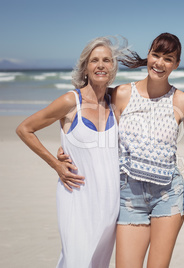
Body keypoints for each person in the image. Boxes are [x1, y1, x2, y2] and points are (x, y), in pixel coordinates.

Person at [16, 36, 125, 267]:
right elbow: (25, 129)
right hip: (76, 196)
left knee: (97, 262)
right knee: (77, 259)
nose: (101, 65)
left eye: (107, 60)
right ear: (85, 67)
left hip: (109, 202)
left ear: (113, 67)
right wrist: (56, 164)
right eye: (94, 60)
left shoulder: (115, 101)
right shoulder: (70, 101)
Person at [112, 33, 184, 268]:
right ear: (148, 55)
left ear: (176, 64)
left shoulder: (183, 101)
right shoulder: (121, 94)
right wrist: (67, 145)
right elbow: (84, 112)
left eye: (168, 58)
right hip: (129, 194)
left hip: (168, 194)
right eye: (155, 55)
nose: (159, 63)